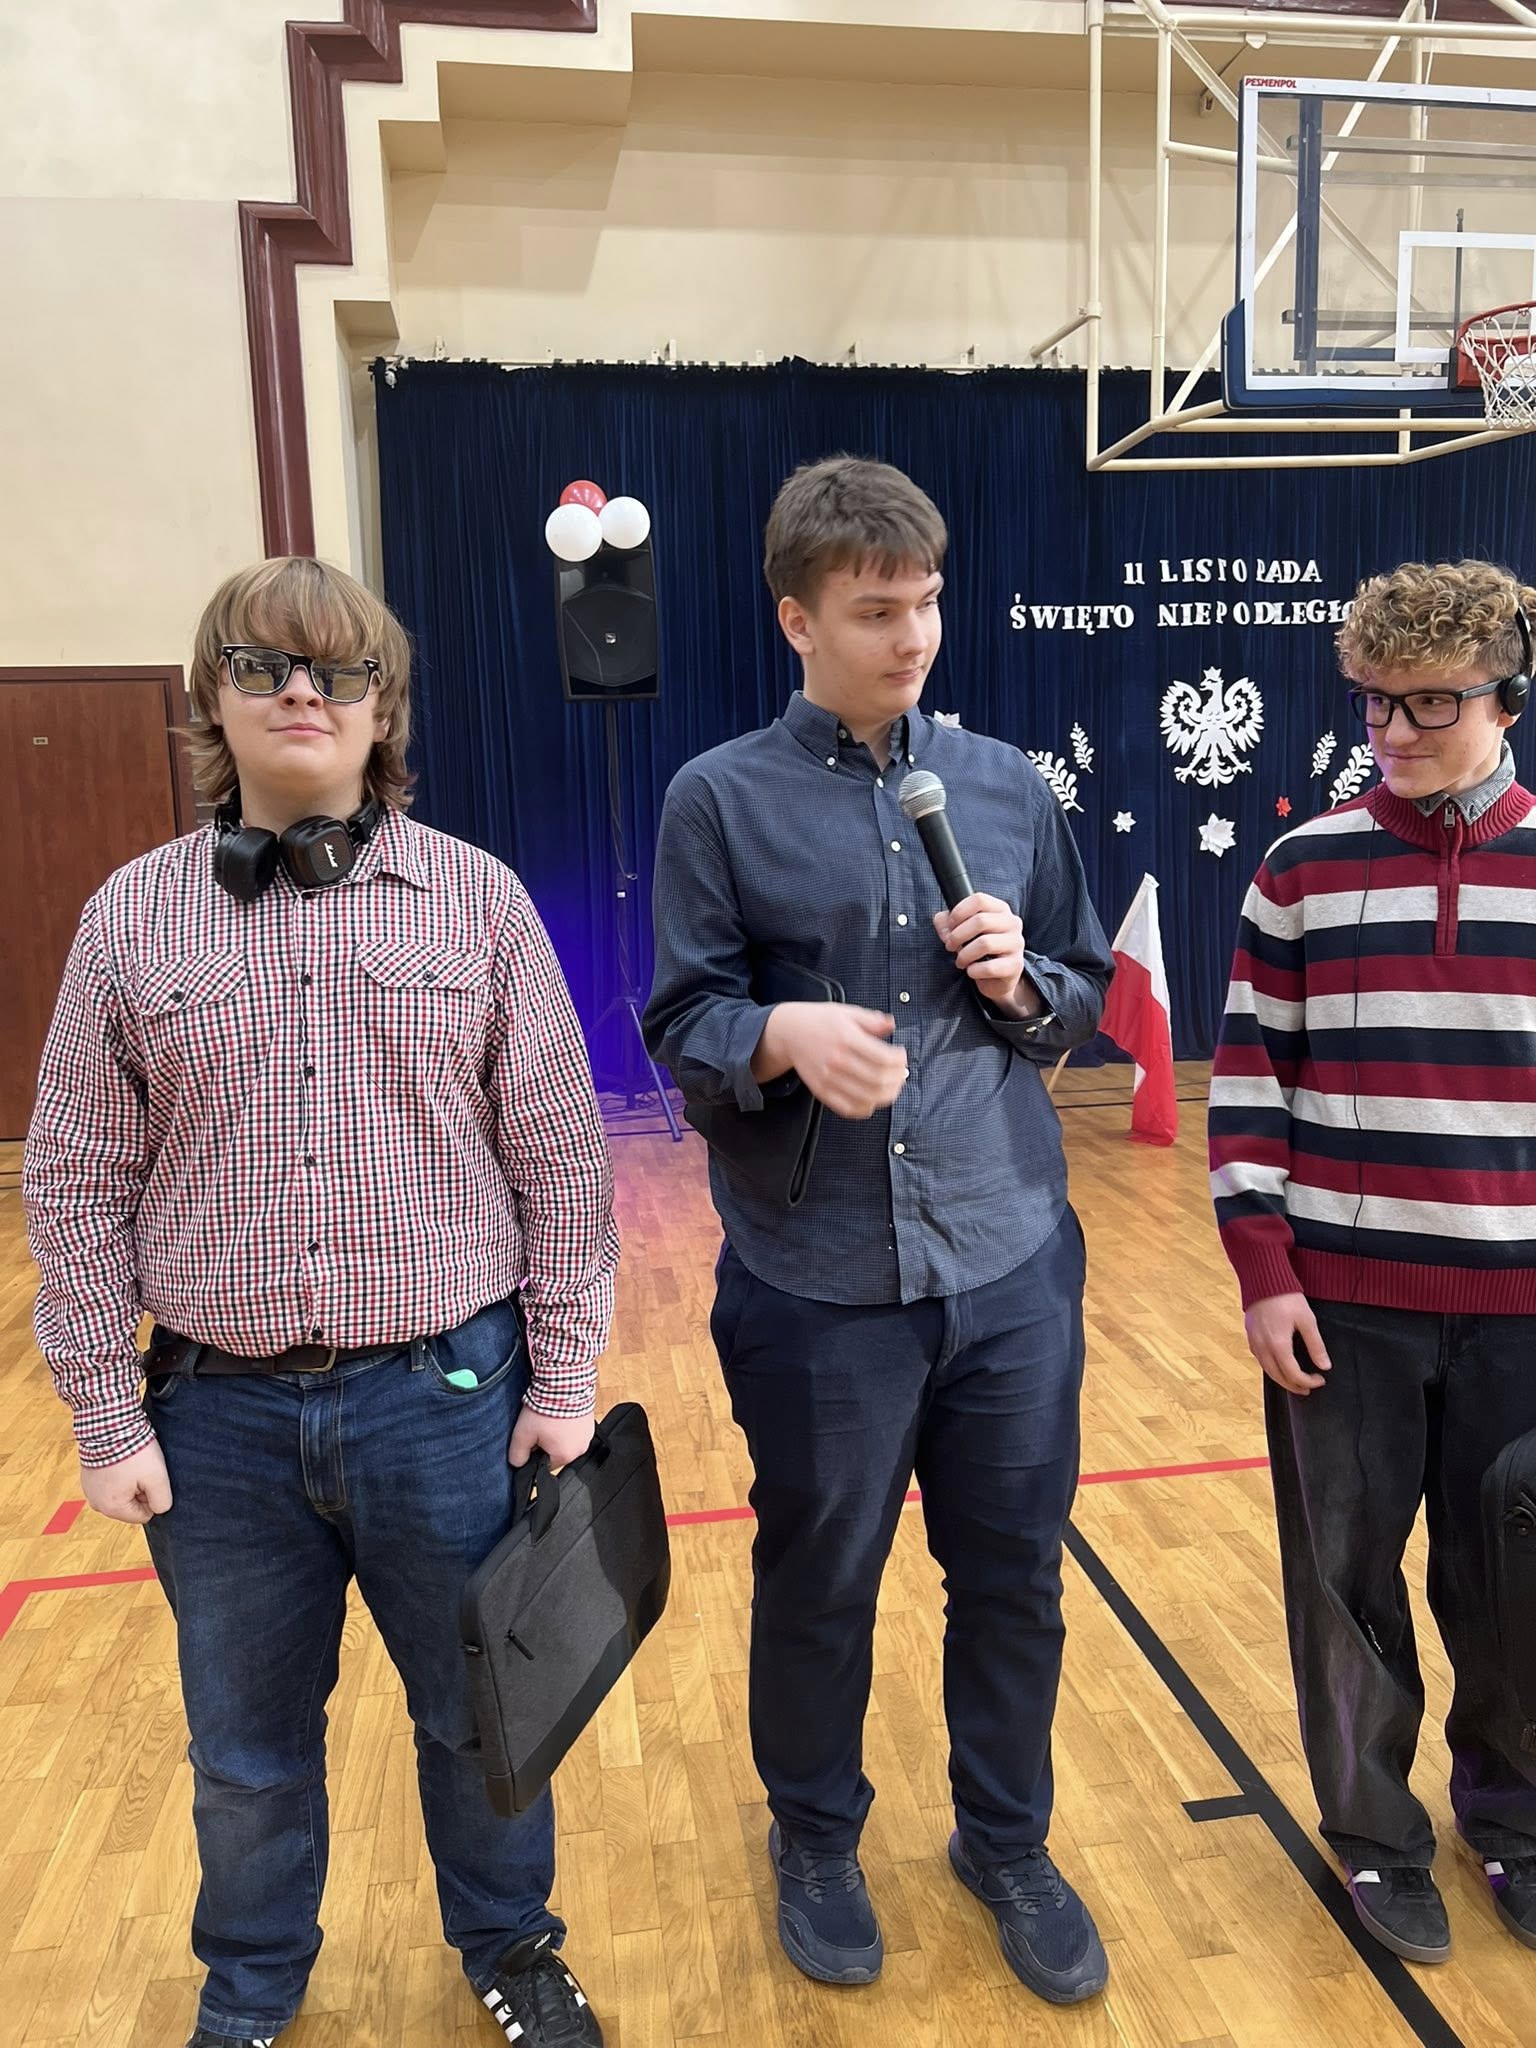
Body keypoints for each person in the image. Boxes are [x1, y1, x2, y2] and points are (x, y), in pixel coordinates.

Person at [24, 557, 619, 2048]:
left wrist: (562, 1383)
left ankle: (511, 1945)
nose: (302, 692)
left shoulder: (479, 904)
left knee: (480, 1714)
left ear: (381, 710)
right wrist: (103, 1415)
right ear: (210, 699)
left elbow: (560, 1158)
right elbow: (78, 1181)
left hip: (448, 1402)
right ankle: (251, 1987)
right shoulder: (128, 919)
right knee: (245, 1752)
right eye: (263, 665)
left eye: (338, 671)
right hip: (214, 1422)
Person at [642, 456, 1115, 2007]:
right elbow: (681, 1020)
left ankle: (1007, 1842)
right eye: (872, 611)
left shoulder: (1007, 787)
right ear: (797, 619)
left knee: (1015, 1578)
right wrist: (778, 1036)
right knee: (822, 1578)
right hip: (820, 1275)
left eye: (926, 602)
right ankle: (817, 1839)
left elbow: (1083, 993)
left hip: (1010, 1254)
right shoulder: (719, 798)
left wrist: (1026, 984)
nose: (911, 636)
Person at [1210, 558, 1536, 1965]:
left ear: (1507, 698)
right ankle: (1375, 1839)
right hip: (1344, 1309)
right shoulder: (1302, 869)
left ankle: (1515, 1820)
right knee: (1344, 1584)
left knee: (1515, 1586)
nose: (1395, 731)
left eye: (1430, 703)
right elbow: (1247, 1084)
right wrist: (1265, 1272)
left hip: (1522, 1313)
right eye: (1376, 704)